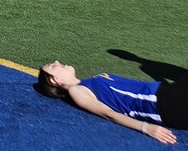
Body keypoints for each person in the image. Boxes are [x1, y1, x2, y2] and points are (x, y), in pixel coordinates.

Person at [36, 61, 186, 143]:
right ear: (54, 80)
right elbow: (109, 114)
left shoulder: (89, 81)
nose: (56, 61)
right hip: (163, 103)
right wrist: (145, 127)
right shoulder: (77, 91)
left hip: (168, 95)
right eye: (52, 66)